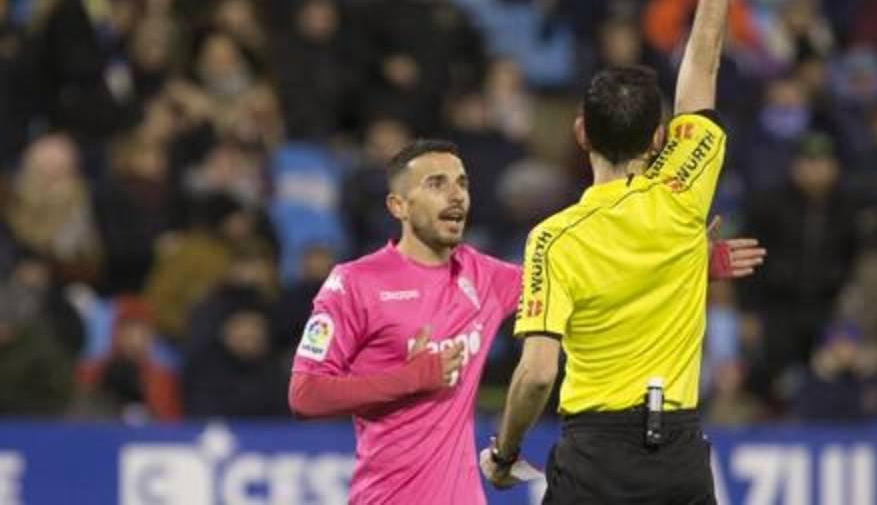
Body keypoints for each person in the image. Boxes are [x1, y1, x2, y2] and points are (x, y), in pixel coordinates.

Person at [288, 140, 762, 503]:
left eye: (463, 183)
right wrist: (412, 378)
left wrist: (689, 263)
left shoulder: (483, 278)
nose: (456, 196)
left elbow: (593, 281)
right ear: (399, 206)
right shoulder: (355, 282)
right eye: (437, 184)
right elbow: (305, 394)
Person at [482, 0, 758, 503]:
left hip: (594, 459)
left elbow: (535, 375)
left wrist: (504, 454)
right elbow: (702, 63)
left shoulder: (553, 239)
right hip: (680, 453)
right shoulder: (683, 193)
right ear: (660, 138)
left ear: (581, 133)